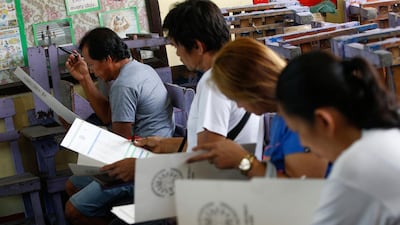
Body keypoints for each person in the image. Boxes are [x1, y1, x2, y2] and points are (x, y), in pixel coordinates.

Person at [63, 27, 174, 225]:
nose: (91, 70)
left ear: (107, 59)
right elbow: (107, 115)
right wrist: (85, 78)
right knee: (72, 185)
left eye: (92, 65)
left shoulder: (124, 85)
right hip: (145, 153)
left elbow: (119, 141)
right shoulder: (139, 68)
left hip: (143, 164)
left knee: (73, 211)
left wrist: (80, 136)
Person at [275, 51, 400, 225]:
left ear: (324, 121)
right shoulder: (386, 132)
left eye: (299, 131)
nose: (303, 143)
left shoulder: (357, 164)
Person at [135, 0, 264, 159]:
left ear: (198, 46)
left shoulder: (214, 82)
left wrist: (138, 168)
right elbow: (206, 142)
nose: (177, 54)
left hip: (227, 180)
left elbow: (208, 155)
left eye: (176, 46)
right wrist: (162, 144)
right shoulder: (237, 68)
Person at [189, 38, 329, 178]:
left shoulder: (300, 109)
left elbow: (306, 190)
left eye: (236, 97)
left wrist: (244, 161)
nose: (238, 105)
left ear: (252, 86)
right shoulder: (282, 113)